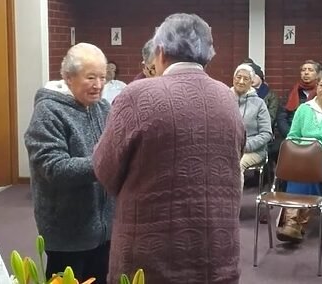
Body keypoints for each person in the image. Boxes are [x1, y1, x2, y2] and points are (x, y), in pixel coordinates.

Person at [93, 13, 245, 284]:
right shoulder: (227, 96)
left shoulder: (137, 94)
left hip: (151, 257)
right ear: (208, 55)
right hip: (217, 252)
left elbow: (105, 170)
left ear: (160, 52)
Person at [24, 43, 114, 283]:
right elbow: (54, 168)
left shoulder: (103, 108)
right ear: (68, 77)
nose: (98, 85)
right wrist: (104, 161)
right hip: (67, 235)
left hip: (104, 232)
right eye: (91, 77)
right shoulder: (48, 113)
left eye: (103, 77)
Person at [276, 69, 322, 243]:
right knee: (301, 168)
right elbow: (292, 136)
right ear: (316, 86)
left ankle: (294, 222)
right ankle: (293, 221)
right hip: (304, 156)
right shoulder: (304, 109)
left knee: (315, 169)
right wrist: (299, 152)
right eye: (321, 85)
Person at [231, 63, 272, 190]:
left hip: (253, 150)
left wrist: (244, 146)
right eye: (238, 77)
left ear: (251, 82)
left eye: (246, 79)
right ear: (233, 79)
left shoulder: (259, 103)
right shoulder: (223, 99)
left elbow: (266, 134)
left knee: (236, 165)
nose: (241, 81)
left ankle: (233, 204)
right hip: (228, 148)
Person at [276, 60, 322, 138]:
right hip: (291, 135)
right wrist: (291, 135)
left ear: (318, 74)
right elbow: (282, 117)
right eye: (303, 70)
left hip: (316, 137)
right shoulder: (292, 93)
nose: (306, 73)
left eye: (310, 70)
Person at [245, 60, 279, 127]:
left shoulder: (271, 96)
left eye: (254, 76)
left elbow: (270, 118)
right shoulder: (243, 93)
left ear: (260, 76)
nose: (251, 79)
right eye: (249, 76)